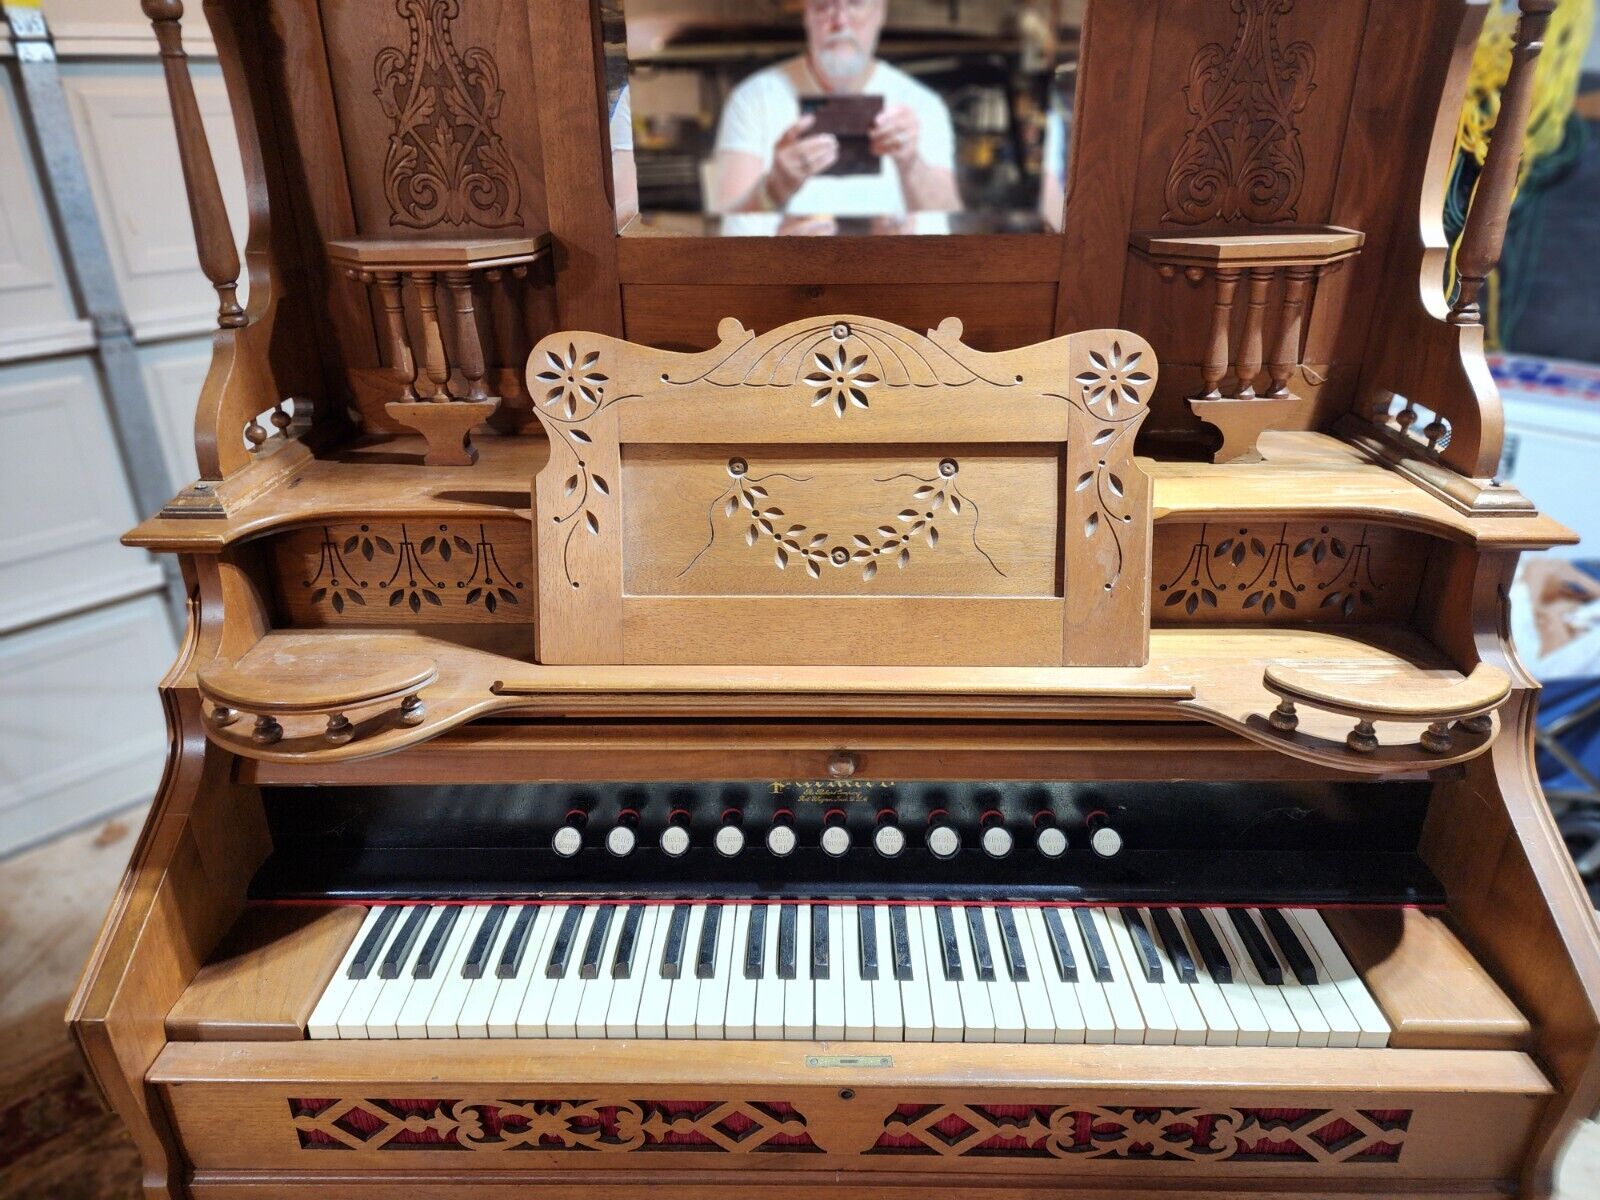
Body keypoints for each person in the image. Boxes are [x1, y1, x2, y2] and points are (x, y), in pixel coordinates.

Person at [711, 0, 960, 217]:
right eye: (823, 5)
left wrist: (911, 163)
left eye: (855, 3)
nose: (840, 21)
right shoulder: (752, 101)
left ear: (880, 11)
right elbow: (727, 229)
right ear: (806, 15)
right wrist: (773, 189)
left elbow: (946, 228)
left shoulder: (923, 105)